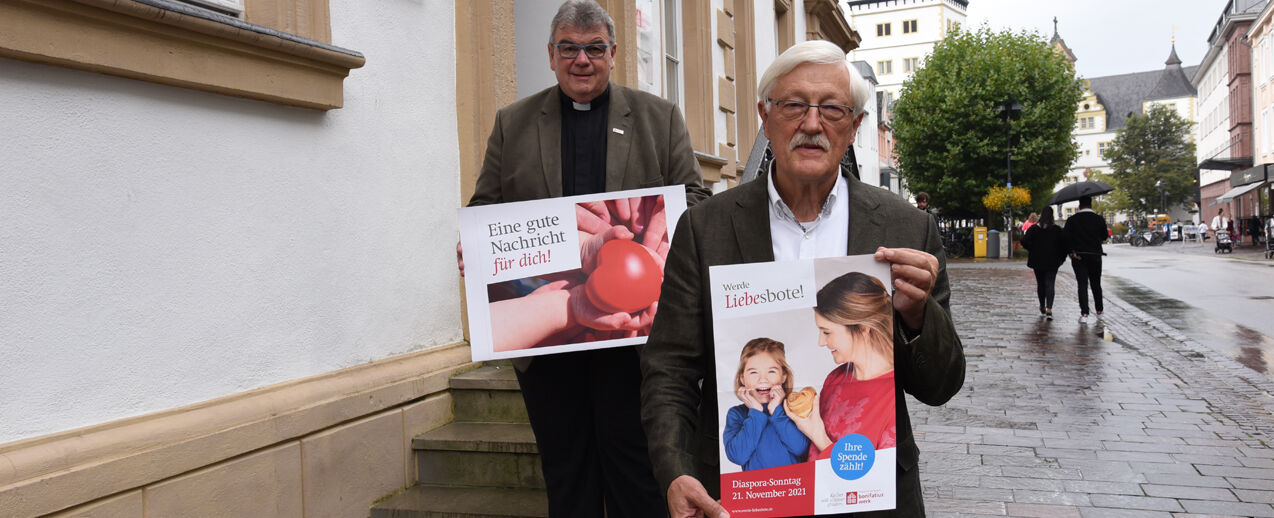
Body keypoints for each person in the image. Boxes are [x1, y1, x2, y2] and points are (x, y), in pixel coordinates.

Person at [639, 40, 965, 518]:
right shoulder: (705, 228)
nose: (812, 124)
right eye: (793, 105)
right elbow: (670, 368)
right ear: (764, 116)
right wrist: (674, 469)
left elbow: (940, 386)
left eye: (833, 109)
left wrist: (917, 316)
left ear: (853, 127)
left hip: (871, 494)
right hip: (745, 496)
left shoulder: (906, 228)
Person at [462, 2, 711, 516]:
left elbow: (696, 202)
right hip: (552, 340)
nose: (582, 60)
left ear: (613, 54)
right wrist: (478, 245)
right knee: (566, 474)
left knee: (635, 474)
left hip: (633, 341)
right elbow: (486, 206)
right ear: (551, 55)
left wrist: (661, 232)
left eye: (594, 48)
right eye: (569, 48)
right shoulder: (514, 122)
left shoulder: (657, 118)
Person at [789, 272, 898, 460]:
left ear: (863, 328)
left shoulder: (893, 395)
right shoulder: (835, 379)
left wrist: (819, 437)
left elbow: (876, 482)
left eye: (826, 332)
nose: (821, 342)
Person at [722, 338, 809, 471]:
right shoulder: (737, 414)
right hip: (757, 489)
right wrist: (756, 413)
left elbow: (800, 449)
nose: (763, 379)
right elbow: (737, 456)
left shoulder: (793, 407)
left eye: (771, 371)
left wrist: (776, 411)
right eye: (753, 372)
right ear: (742, 379)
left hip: (793, 486)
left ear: (783, 376)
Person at [1063, 196, 1108, 323]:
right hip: (1095, 255)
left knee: (1082, 284)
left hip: (1079, 256)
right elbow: (1104, 236)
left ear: (1079, 206)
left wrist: (1071, 252)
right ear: (1091, 204)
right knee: (1096, 283)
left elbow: (1066, 238)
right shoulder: (1099, 219)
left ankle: (1084, 313)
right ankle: (1099, 310)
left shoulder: (1072, 220)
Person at [1020, 207, 1069, 320]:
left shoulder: (1034, 229)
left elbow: (1024, 241)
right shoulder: (1056, 229)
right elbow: (1065, 244)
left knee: (1040, 284)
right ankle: (1049, 309)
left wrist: (1032, 249)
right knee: (1050, 283)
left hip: (1038, 260)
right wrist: (1061, 258)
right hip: (1053, 261)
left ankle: (1042, 305)